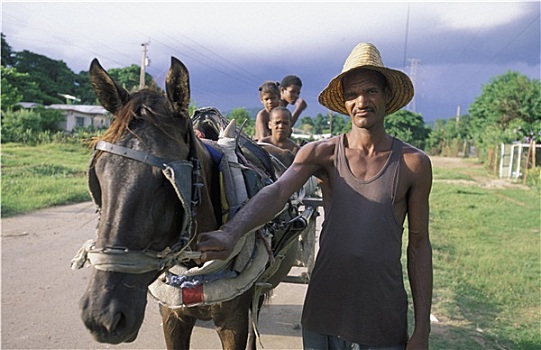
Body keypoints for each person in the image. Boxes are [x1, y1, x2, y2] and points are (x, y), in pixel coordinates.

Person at [196, 43, 433, 349]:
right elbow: (279, 191)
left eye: (371, 91)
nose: (361, 101)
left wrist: (422, 330)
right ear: (344, 102)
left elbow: (419, 244)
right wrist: (231, 232)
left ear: (386, 95)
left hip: (382, 316)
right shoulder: (322, 154)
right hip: (325, 311)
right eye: (352, 94)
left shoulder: (413, 164)